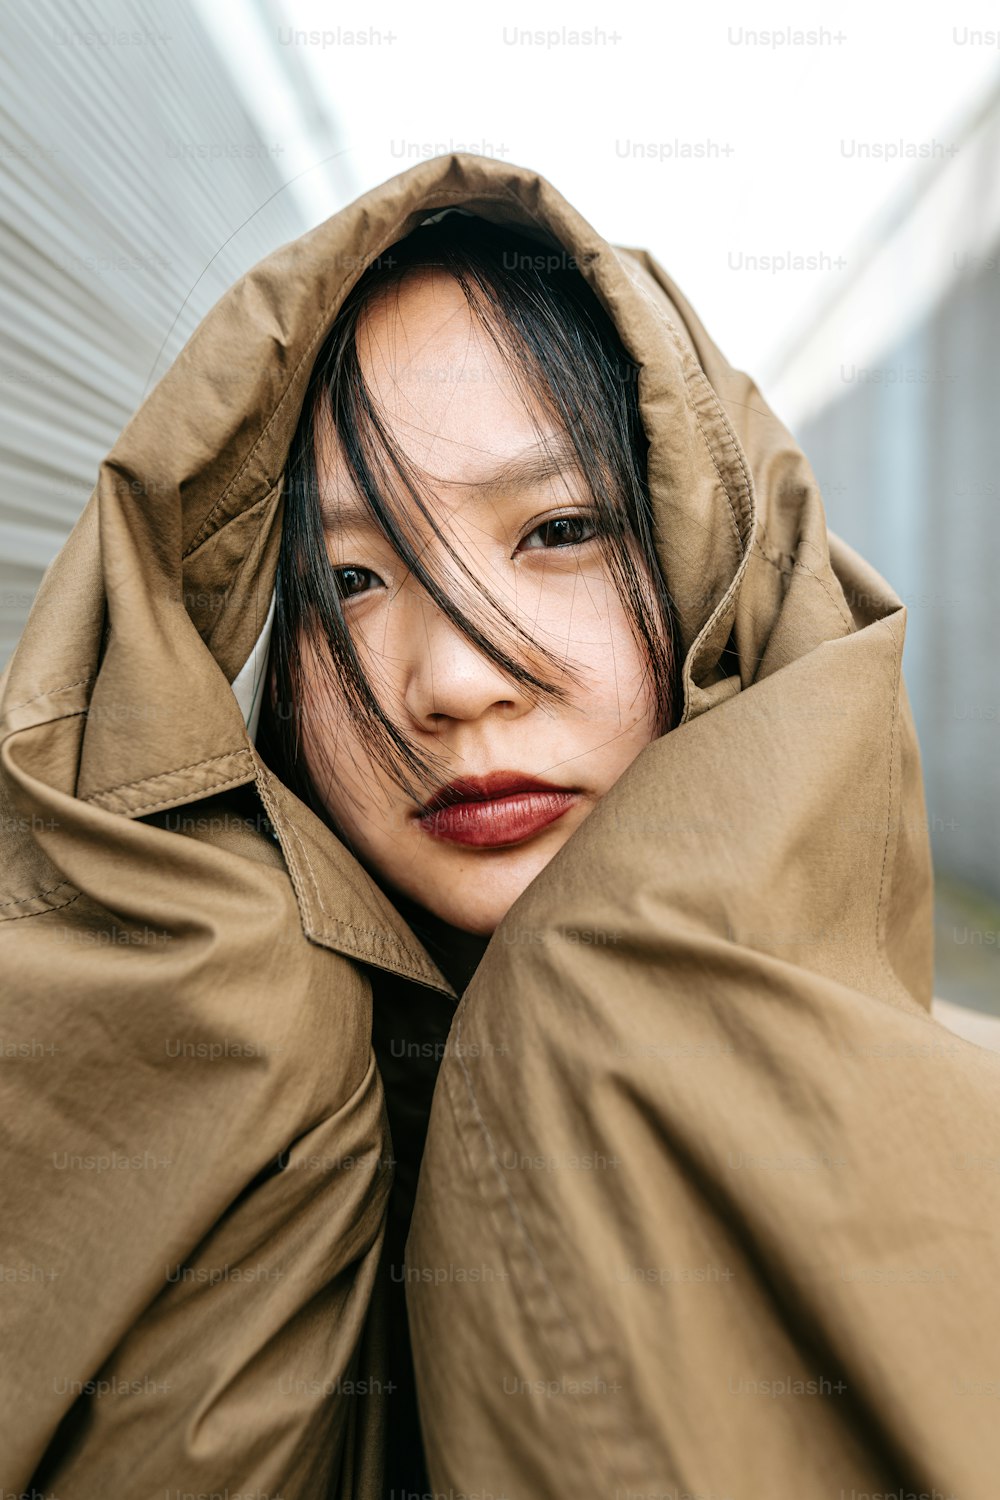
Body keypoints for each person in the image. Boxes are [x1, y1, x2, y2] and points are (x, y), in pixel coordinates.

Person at [1, 151, 997, 1500]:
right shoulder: (180, 1083)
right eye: (346, 577)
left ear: (719, 579)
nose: (455, 679)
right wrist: (207, 1027)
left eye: (562, 529)